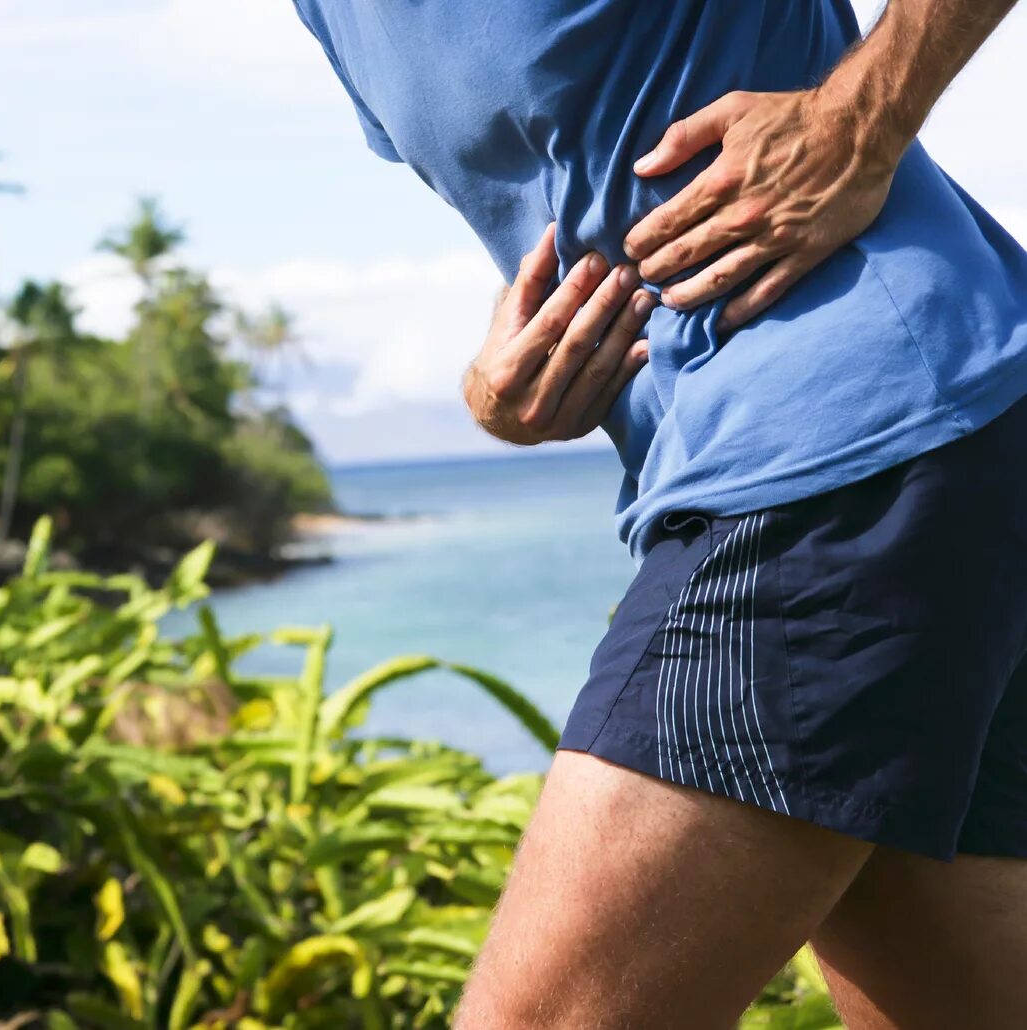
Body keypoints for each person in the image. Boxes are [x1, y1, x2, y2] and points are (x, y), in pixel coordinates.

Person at [291, 1, 1027, 1025]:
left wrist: (864, 112)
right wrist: (494, 391)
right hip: (901, 451)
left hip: (843, 441)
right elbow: (560, 172)